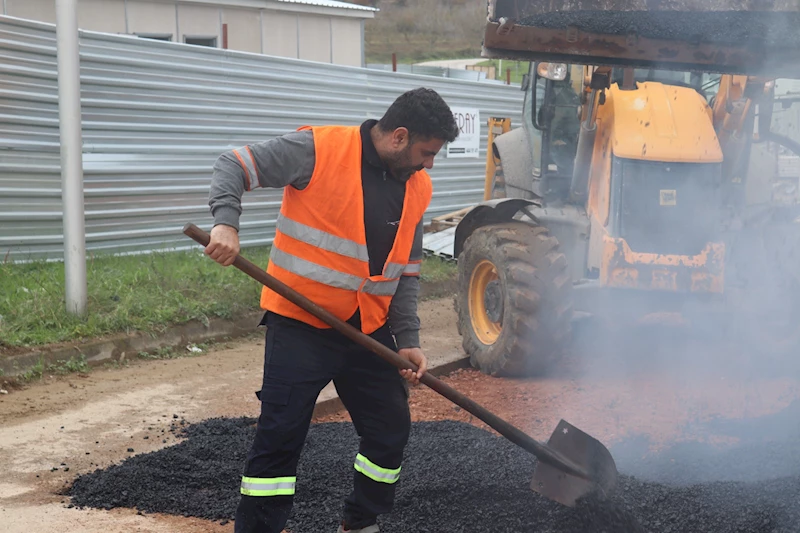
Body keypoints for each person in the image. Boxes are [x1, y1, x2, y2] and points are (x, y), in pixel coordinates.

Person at [204, 87, 460, 533]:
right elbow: (235, 163)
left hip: (367, 329)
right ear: (399, 137)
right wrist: (225, 222)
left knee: (390, 428)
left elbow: (406, 273)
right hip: (301, 325)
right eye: (427, 152)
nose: (430, 163)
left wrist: (411, 340)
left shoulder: (417, 187)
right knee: (280, 436)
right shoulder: (318, 150)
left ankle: (360, 522)